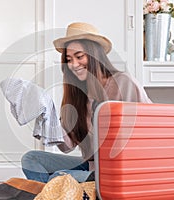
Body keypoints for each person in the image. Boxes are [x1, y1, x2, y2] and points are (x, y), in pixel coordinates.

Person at [21, 22, 152, 183]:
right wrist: (47, 115)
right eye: (69, 59)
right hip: (92, 167)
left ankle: (63, 190)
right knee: (31, 159)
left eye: (79, 56)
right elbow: (67, 146)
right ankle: (59, 192)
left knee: (59, 178)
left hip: (119, 169)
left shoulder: (123, 83)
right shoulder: (77, 95)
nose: (73, 65)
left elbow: (151, 119)